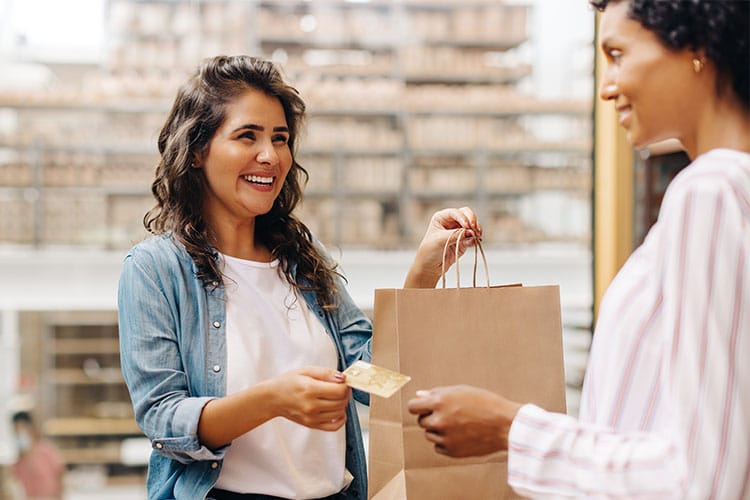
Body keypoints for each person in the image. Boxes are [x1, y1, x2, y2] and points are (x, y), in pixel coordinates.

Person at [407, 0, 750, 498]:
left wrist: (510, 428)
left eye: (617, 54)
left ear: (695, 47)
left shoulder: (711, 191)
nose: (607, 87)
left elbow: (701, 481)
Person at [117, 55, 481, 500]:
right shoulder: (155, 269)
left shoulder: (302, 259)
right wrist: (273, 400)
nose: (270, 155)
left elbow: (374, 381)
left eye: (280, 138)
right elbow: (162, 419)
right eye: (247, 136)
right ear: (197, 150)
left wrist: (424, 273)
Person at [11, 411, 65, 500]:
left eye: (22, 428)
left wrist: (61, 496)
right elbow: (15, 479)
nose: (20, 433)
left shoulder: (46, 449)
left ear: (31, 427)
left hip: (50, 497)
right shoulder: (20, 457)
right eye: (16, 430)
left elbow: (61, 472)